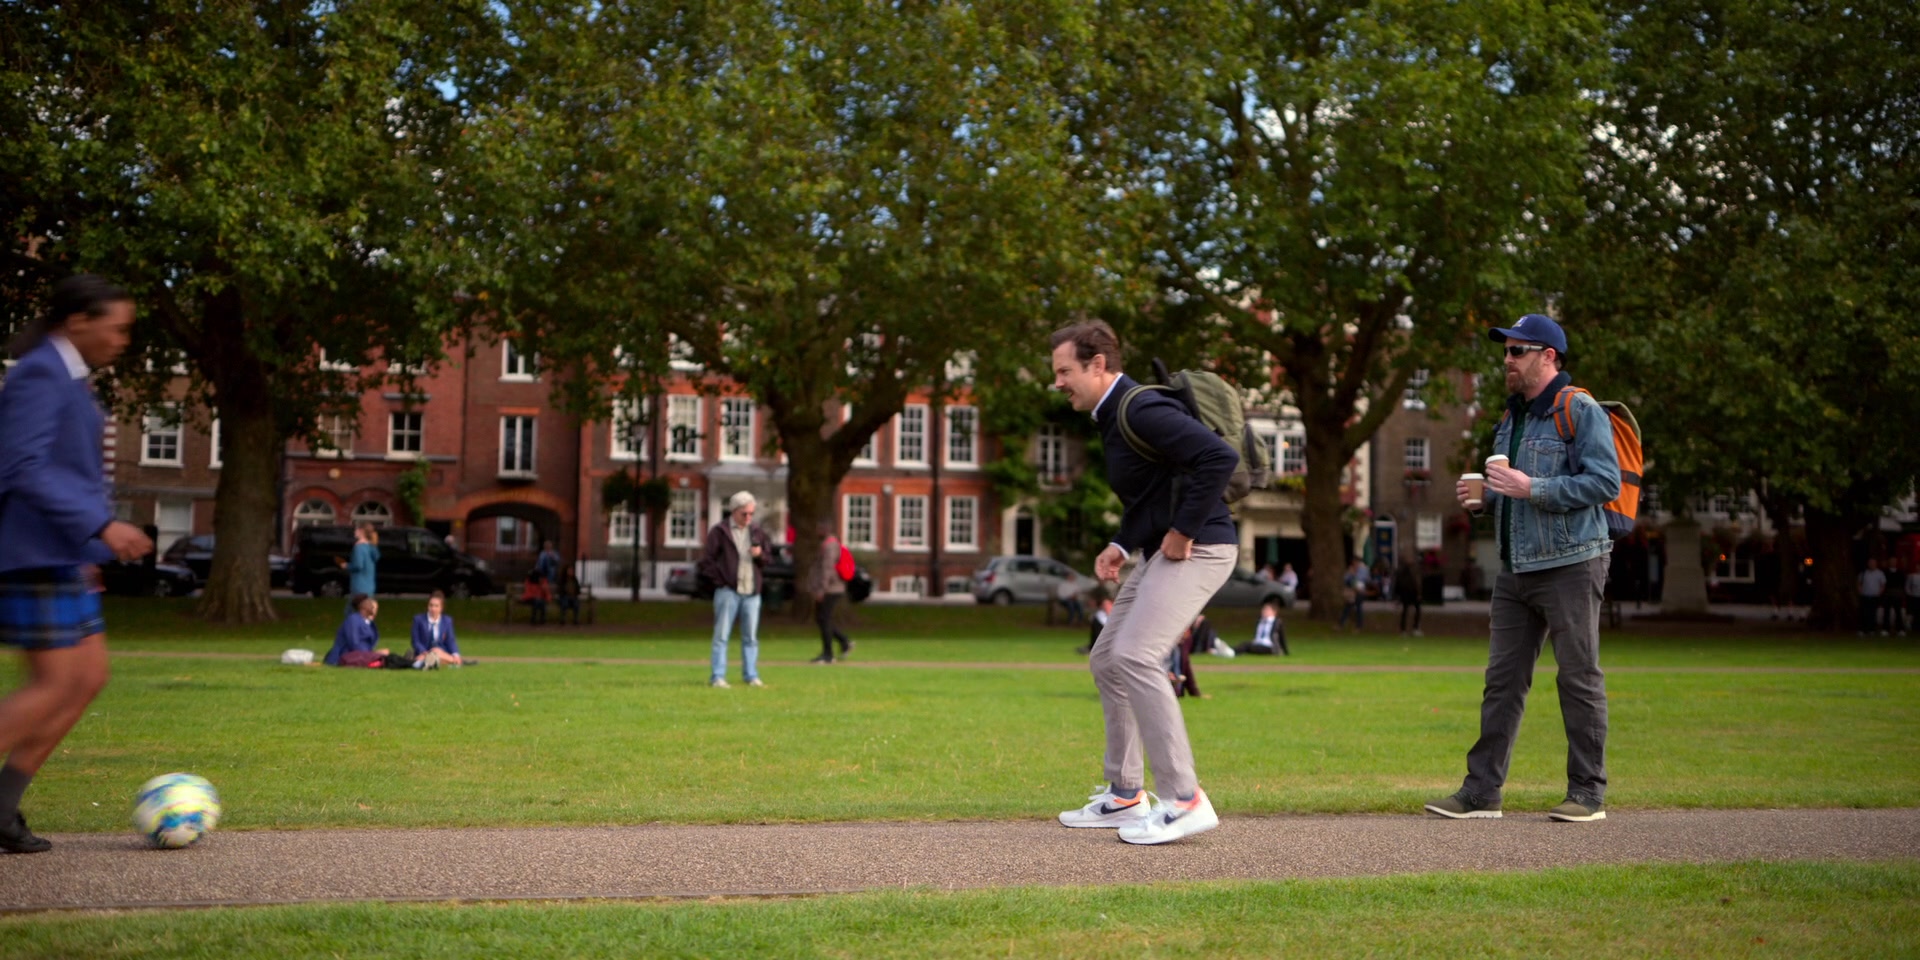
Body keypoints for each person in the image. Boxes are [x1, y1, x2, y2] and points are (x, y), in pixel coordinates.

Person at [1048, 320, 1239, 845]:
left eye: (1065, 371)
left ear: (1098, 365)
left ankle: (1185, 799)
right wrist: (1119, 543)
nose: (1058, 382)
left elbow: (1218, 458)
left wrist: (1182, 531)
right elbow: (1152, 495)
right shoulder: (1112, 416)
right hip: (1160, 551)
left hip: (1203, 547)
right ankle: (1127, 794)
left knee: (1134, 655)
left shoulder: (1140, 407)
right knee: (1108, 657)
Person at [1426, 313, 1621, 824]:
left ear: (1548, 356)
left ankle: (1587, 792)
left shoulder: (1579, 410)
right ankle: (1481, 792)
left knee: (1577, 679)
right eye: (1506, 351)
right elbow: (1513, 491)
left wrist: (1529, 487)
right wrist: (1486, 499)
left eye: (1518, 351)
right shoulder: (1511, 418)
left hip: (1573, 564)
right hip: (1517, 570)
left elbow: (1605, 483)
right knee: (1502, 682)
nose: (1506, 360)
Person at [0, 275, 152, 854]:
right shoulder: (40, 373)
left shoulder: (69, 378)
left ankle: (3, 807)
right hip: (32, 553)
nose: (123, 339)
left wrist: (89, 552)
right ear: (77, 321)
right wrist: (102, 527)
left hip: (64, 554)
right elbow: (22, 468)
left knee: (87, 678)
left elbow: (72, 472)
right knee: (54, 682)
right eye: (116, 327)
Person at [699, 491, 772, 688]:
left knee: (750, 637)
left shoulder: (756, 532)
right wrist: (722, 580)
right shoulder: (720, 531)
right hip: (728, 591)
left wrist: (759, 555)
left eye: (751, 514)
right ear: (733, 511)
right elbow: (707, 561)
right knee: (721, 636)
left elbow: (768, 560)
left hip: (751, 592)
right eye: (744, 514)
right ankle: (718, 676)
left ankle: (751, 675)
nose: (748, 518)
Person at [808, 523, 854, 664]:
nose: (817, 531)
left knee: (824, 619)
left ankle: (828, 654)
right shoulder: (829, 544)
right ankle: (843, 641)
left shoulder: (830, 546)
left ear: (824, 529)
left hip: (831, 589)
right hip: (830, 588)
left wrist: (822, 589)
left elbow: (827, 569)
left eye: (818, 528)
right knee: (822, 619)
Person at [325, 593, 389, 666]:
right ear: (363, 607)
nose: (373, 609)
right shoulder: (353, 620)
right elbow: (354, 644)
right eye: (370, 605)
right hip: (345, 657)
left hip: (360, 656)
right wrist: (373, 654)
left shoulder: (368, 623)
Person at [410, 591, 463, 668]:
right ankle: (452, 661)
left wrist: (455, 654)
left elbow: (450, 641)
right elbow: (415, 641)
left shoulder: (447, 621)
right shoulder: (418, 620)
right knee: (434, 652)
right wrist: (424, 652)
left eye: (436, 606)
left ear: (441, 608)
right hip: (424, 652)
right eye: (431, 605)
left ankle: (432, 660)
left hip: (442, 652)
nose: (433, 609)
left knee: (436, 651)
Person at [338, 522, 378, 609]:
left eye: (356, 529)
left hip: (359, 586)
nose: (354, 532)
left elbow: (358, 566)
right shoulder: (371, 547)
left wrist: (346, 565)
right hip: (369, 586)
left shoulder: (359, 548)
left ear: (361, 531)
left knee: (352, 612)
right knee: (366, 611)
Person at [1337, 559, 1369, 632]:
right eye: (1354, 563)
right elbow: (1345, 579)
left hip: (1359, 591)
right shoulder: (1351, 570)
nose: (1355, 564)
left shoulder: (1363, 570)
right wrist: (1350, 573)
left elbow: (1363, 580)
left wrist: (1354, 575)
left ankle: (1358, 626)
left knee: (1358, 608)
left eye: (1356, 563)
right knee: (1347, 608)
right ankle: (1341, 624)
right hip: (1351, 592)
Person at [1394, 557, 1423, 637]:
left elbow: (1416, 583)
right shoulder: (1406, 571)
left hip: (1409, 592)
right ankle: (1409, 629)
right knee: (1408, 610)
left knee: (1411, 610)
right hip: (1408, 592)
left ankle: (1411, 629)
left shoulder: (1411, 570)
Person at [1857, 558, 1886, 636]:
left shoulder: (1880, 573)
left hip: (1874, 596)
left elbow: (1882, 585)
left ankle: (1871, 629)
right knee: (1864, 613)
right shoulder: (1863, 573)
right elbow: (1859, 583)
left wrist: (1879, 593)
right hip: (1865, 596)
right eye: (1870, 563)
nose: (1872, 564)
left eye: (1873, 563)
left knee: (1872, 613)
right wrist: (1860, 592)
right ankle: (1863, 629)